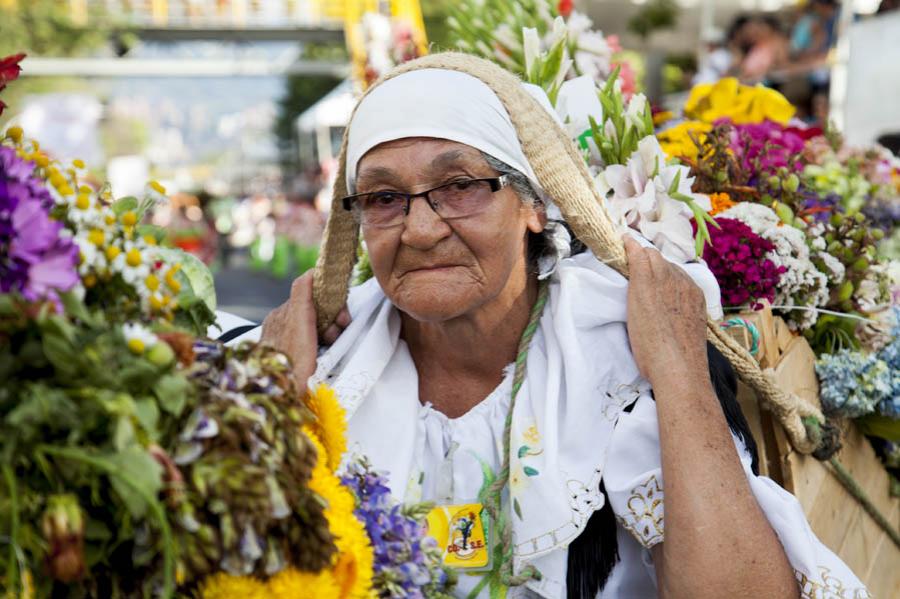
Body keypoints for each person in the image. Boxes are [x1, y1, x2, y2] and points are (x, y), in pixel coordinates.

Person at [257, 54, 867, 597]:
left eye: (460, 185)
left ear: (533, 204)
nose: (419, 230)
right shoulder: (329, 370)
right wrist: (275, 395)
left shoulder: (615, 366)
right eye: (383, 198)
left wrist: (679, 369)